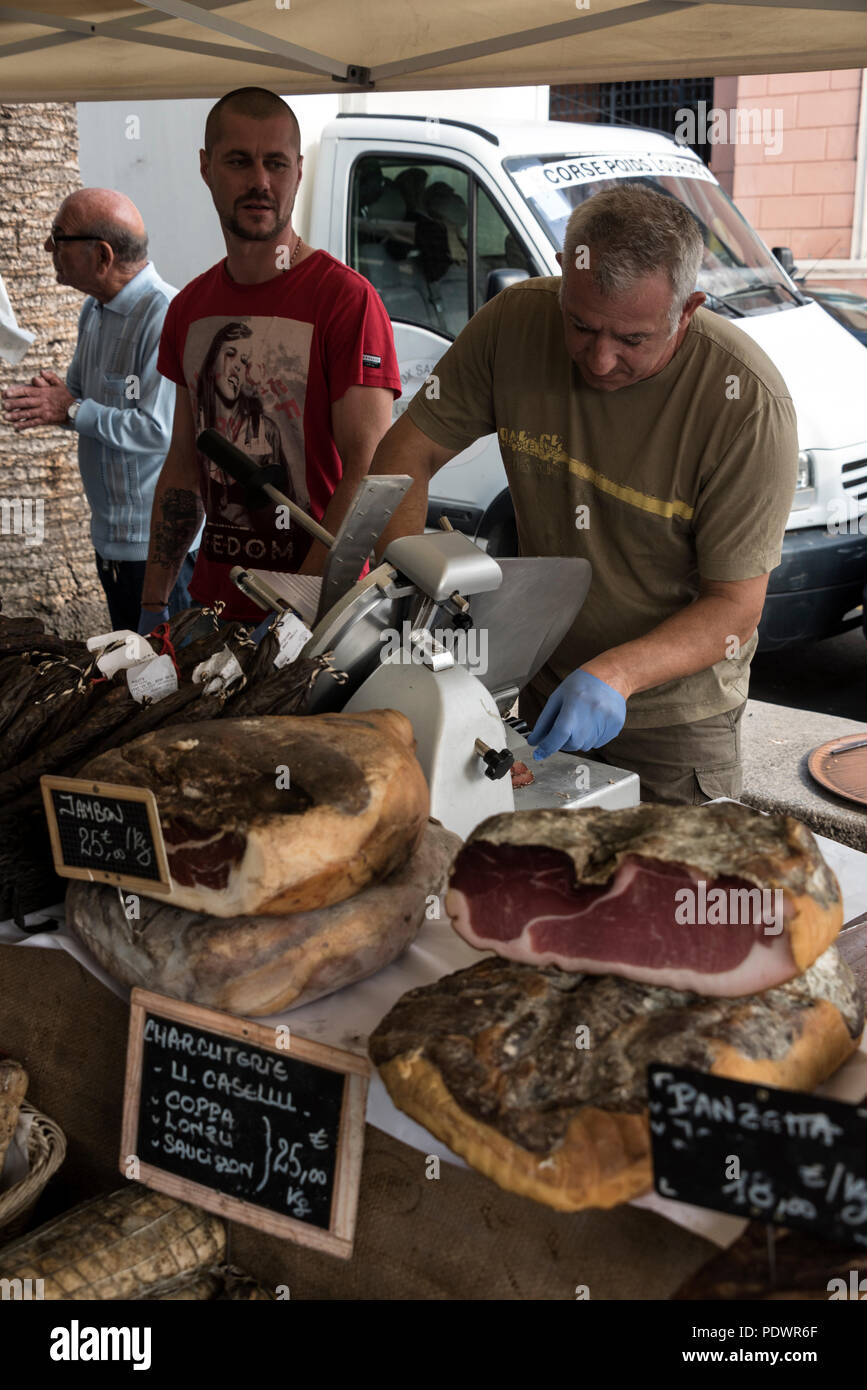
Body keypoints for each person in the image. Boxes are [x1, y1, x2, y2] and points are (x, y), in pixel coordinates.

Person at [370, 184, 799, 805]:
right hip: (545, 690)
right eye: (581, 326)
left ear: (687, 310)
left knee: (667, 895)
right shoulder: (515, 324)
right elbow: (406, 454)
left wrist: (617, 674)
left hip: (675, 724)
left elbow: (734, 606)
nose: (599, 360)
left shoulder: (747, 404)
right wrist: (414, 610)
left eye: (632, 340)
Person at [137, 86, 401, 633]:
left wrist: (292, 611)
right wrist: (153, 604)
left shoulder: (345, 300)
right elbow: (184, 465)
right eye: (239, 161)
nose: (260, 181)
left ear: (298, 172)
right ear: (207, 169)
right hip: (210, 609)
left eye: (276, 163)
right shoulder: (189, 308)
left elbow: (369, 473)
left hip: (318, 621)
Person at [1, 189, 197, 632]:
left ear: (102, 256)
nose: (48, 249)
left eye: (58, 237)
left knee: (171, 683)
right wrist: (51, 399)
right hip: (112, 542)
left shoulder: (164, 315)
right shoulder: (95, 309)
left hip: (157, 550)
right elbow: (79, 395)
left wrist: (70, 410)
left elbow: (156, 429)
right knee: (130, 677)